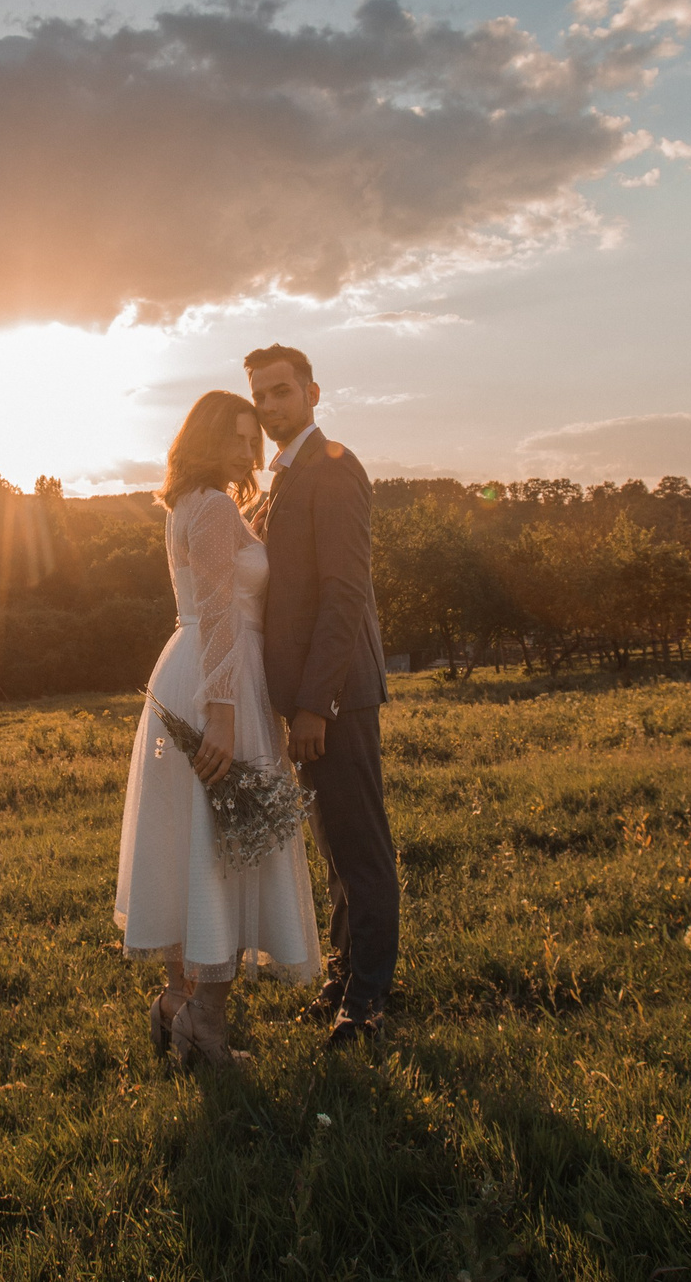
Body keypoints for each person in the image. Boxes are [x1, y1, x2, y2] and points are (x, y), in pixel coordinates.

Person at [114, 389, 321, 1067]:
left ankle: (177, 999)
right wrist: (224, 715)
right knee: (223, 849)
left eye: (250, 438)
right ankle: (204, 1024)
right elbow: (220, 611)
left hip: (193, 670)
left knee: (193, 840)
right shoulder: (212, 506)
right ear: (205, 440)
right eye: (234, 437)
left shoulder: (193, 505)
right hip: (217, 680)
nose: (247, 449)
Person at [246, 343, 396, 1047]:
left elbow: (343, 594)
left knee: (359, 848)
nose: (270, 406)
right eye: (260, 396)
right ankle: (346, 975)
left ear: (312, 392)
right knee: (334, 847)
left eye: (281, 391)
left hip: (336, 695)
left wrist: (315, 704)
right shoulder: (282, 475)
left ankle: (367, 1002)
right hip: (309, 696)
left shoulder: (333, 468)